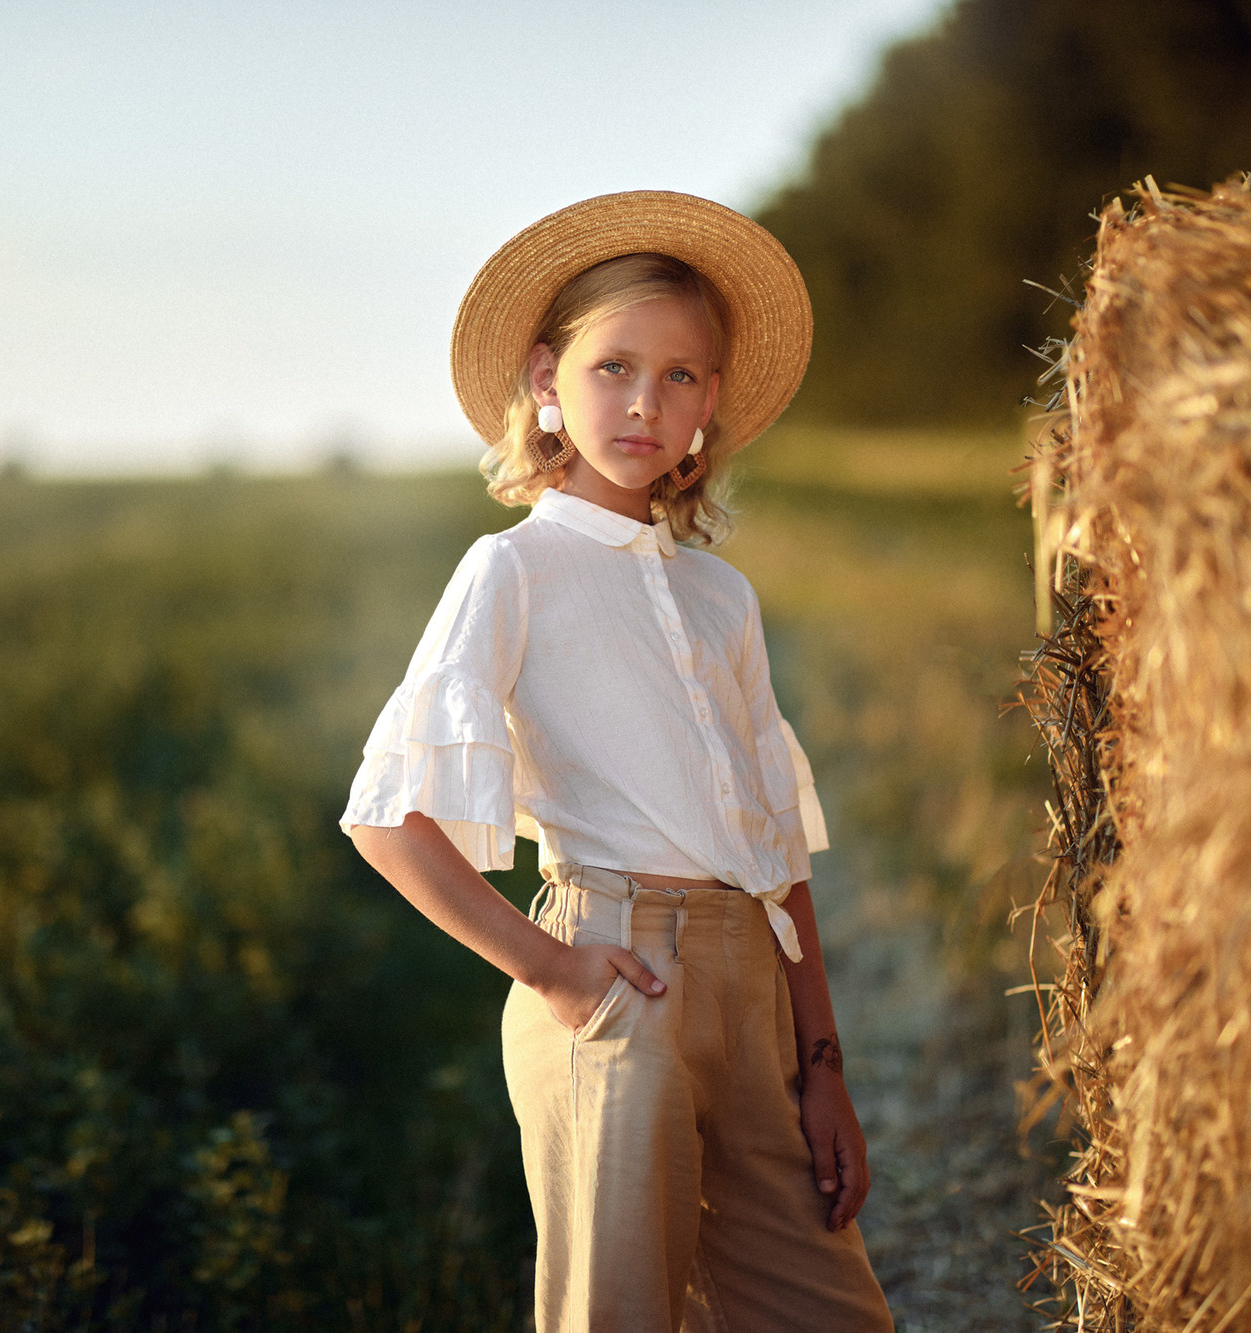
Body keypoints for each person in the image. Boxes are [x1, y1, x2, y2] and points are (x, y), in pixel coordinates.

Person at [341, 191, 892, 1333]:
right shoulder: (512, 572)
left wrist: (820, 1061)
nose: (646, 402)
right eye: (614, 368)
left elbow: (773, 848)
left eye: (682, 376)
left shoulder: (718, 595)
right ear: (547, 378)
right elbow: (387, 817)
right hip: (614, 980)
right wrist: (546, 967)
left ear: (710, 402)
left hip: (758, 1002)